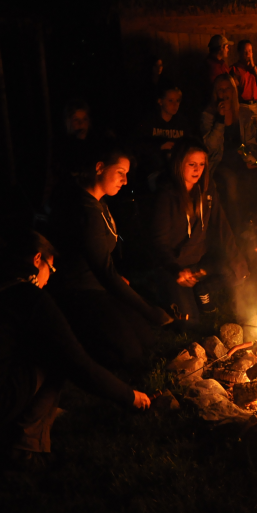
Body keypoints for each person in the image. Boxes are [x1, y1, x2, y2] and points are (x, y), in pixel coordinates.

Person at [0, 230, 151, 468]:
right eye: (50, 269)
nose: (49, 278)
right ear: (37, 259)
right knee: (55, 355)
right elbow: (79, 364)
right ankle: (24, 449)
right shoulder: (28, 297)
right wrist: (129, 396)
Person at [48, 142, 171, 374]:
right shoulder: (85, 210)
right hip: (80, 292)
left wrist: (119, 281)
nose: (125, 181)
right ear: (99, 167)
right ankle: (76, 343)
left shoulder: (99, 202)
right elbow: (104, 272)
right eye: (120, 172)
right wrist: (149, 310)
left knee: (147, 341)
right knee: (130, 355)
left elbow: (103, 262)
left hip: (100, 286)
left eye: (127, 174)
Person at [149, 138, 249, 321]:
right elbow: (159, 242)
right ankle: (164, 291)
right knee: (190, 321)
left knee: (236, 269)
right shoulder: (166, 195)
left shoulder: (207, 189)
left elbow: (221, 224)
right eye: (192, 164)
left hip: (199, 263)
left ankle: (203, 288)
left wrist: (237, 258)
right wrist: (176, 270)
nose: (197, 169)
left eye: (202, 164)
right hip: (175, 267)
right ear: (179, 164)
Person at [200, 74, 257, 231]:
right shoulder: (208, 115)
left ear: (233, 91)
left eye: (227, 88)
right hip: (219, 159)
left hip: (240, 154)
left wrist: (251, 156)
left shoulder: (244, 113)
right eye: (220, 90)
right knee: (231, 181)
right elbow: (210, 146)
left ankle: (255, 222)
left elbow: (250, 142)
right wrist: (220, 120)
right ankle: (236, 228)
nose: (224, 93)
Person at [137, 82, 191, 190]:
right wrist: (160, 146)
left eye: (177, 101)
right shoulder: (149, 122)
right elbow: (138, 146)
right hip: (154, 172)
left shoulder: (183, 123)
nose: (175, 104)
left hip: (178, 170)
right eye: (170, 100)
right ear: (160, 101)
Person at [229, 40, 257, 148]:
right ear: (240, 53)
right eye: (245, 52)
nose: (248, 54)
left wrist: (254, 68)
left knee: (256, 136)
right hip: (242, 106)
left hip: (254, 106)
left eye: (250, 51)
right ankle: (244, 157)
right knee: (244, 137)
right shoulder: (235, 69)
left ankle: (254, 157)